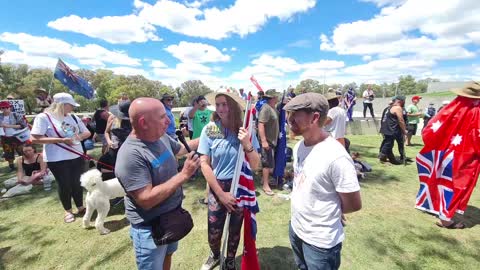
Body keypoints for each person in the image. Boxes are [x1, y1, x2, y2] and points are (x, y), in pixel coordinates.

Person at [115, 98, 200, 270]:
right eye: (162, 117)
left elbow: (181, 149)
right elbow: (146, 200)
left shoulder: (160, 136)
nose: (169, 121)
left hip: (170, 218)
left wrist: (207, 134)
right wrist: (184, 174)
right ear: (143, 122)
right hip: (150, 229)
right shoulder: (131, 155)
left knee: (167, 256)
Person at [284, 93, 362, 270]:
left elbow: (353, 204)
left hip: (321, 242)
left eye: (295, 114)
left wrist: (331, 211)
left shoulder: (336, 157)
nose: (289, 119)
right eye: (289, 114)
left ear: (315, 117)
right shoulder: (299, 147)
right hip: (296, 227)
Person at [199, 92, 260, 270]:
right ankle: (215, 254)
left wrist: (247, 143)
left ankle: (230, 259)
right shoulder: (211, 128)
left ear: (233, 106)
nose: (220, 108)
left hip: (239, 185)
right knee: (214, 230)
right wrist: (220, 193)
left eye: (224, 104)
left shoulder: (245, 130)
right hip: (217, 186)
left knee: (234, 229)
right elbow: (204, 163)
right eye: (217, 105)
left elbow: (255, 164)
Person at [415, 81, 480, 229]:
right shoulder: (477, 112)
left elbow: (431, 128)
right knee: (458, 186)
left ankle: (430, 204)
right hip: (464, 157)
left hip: (444, 153)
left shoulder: (452, 108)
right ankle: (445, 219)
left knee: (440, 180)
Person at [30, 93, 91, 223]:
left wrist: (78, 138)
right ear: (62, 104)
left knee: (77, 182)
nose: (73, 108)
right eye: (71, 105)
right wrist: (61, 140)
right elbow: (34, 138)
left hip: (76, 154)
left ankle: (80, 207)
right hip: (57, 158)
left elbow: (87, 132)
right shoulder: (43, 117)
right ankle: (68, 211)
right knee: (64, 184)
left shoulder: (73, 117)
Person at [258, 89, 279, 196]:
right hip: (267, 141)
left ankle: (264, 180)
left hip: (272, 141)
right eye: (277, 96)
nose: (278, 98)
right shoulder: (265, 108)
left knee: (270, 162)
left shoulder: (273, 108)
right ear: (273, 98)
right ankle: (265, 185)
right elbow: (261, 124)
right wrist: (264, 141)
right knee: (266, 163)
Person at [378, 96, 407, 165]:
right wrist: (404, 130)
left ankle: (391, 159)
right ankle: (382, 157)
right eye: (404, 101)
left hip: (386, 128)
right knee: (388, 144)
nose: (404, 102)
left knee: (387, 143)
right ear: (400, 101)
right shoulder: (398, 108)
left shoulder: (389, 108)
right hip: (392, 129)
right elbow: (401, 120)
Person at [1, 100, 28, 171]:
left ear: (10, 107)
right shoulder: (0, 116)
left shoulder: (16, 115)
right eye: (3, 108)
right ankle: (11, 166)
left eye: (6, 107)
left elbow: (22, 125)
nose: (5, 109)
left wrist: (8, 126)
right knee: (8, 152)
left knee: (21, 151)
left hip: (17, 137)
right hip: (5, 137)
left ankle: (25, 164)